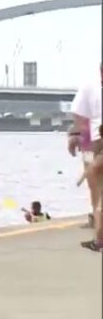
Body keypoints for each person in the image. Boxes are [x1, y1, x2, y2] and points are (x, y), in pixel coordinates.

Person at [68, 64, 102, 229]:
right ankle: (97, 218)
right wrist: (75, 134)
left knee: (95, 183)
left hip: (93, 144)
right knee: (94, 184)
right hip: (91, 144)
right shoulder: (90, 87)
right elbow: (78, 114)